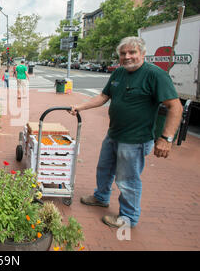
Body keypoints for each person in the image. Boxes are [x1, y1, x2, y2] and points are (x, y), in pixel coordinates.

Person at [68, 36, 183, 229]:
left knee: (127, 179)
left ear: (143, 54)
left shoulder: (155, 75)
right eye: (123, 53)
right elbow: (104, 96)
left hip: (135, 139)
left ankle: (128, 217)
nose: (127, 57)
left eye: (132, 52)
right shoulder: (119, 73)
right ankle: (101, 197)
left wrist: (166, 138)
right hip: (114, 134)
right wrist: (80, 106)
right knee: (104, 169)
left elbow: (175, 107)